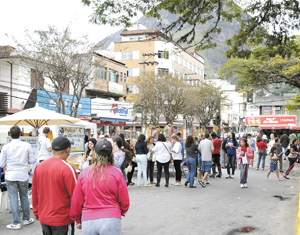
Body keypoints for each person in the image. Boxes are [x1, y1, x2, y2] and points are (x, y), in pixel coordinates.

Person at [70, 139, 130, 235]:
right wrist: (122, 211)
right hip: (111, 217)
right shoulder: (117, 173)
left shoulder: (84, 172)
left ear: (95, 154)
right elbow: (124, 199)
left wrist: (77, 219)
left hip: (88, 219)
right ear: (111, 154)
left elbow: (77, 200)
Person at [32, 136, 77, 235]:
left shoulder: (39, 167)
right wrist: (78, 217)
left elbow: (34, 193)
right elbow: (76, 195)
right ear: (67, 150)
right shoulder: (67, 168)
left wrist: (37, 212)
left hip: (44, 217)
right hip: (63, 219)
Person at [0, 125, 36, 230]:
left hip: (10, 175)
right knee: (24, 196)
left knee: (13, 198)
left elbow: (1, 164)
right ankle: (26, 219)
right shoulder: (27, 145)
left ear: (10, 135)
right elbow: (32, 160)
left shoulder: (5, 147)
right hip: (23, 174)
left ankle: (16, 222)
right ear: (20, 134)